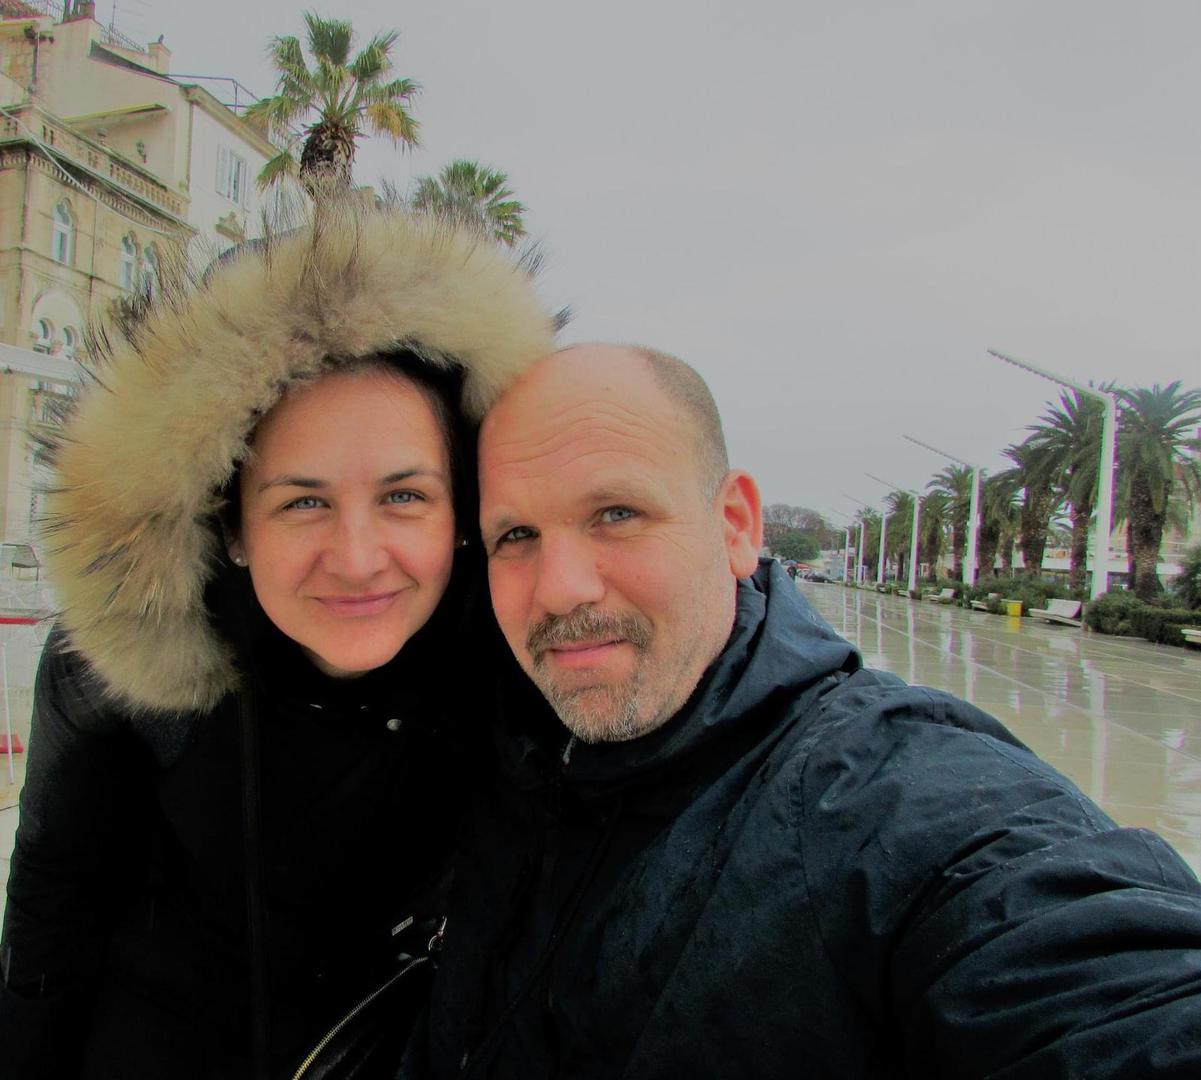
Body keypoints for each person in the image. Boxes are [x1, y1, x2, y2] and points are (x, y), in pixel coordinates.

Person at [410, 343, 1201, 1079]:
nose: (558, 588)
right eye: (515, 533)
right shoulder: (493, 751)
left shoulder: (884, 799)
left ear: (734, 525)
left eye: (616, 513)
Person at [0, 204, 555, 1078]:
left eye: (404, 496)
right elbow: (54, 905)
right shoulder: (125, 676)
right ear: (232, 530)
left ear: (461, 513)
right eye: (302, 502)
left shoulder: (520, 675)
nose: (358, 558)